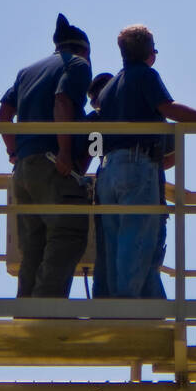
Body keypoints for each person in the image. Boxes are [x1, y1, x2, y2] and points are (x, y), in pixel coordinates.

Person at [95, 24, 196, 298]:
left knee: (113, 240)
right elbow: (168, 108)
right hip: (138, 164)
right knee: (138, 239)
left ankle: (128, 306)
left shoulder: (109, 88)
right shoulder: (145, 76)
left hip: (108, 168)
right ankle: (128, 309)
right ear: (150, 52)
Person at [0, 13, 93, 298]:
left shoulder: (27, 71)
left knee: (34, 245)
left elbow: (3, 115)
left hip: (25, 171)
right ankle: (48, 312)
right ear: (84, 49)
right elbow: (62, 101)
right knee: (67, 234)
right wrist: (65, 152)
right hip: (53, 165)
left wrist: (14, 150)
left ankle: (26, 311)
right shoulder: (78, 65)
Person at [85, 72, 114, 299]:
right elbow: (170, 156)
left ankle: (103, 308)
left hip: (106, 180)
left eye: (94, 101)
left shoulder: (96, 120)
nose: (94, 106)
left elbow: (88, 155)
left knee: (106, 251)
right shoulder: (140, 110)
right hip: (144, 179)